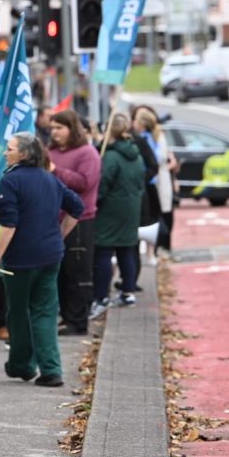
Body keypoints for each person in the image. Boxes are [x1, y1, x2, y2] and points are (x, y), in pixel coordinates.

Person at [0, 132, 83, 388]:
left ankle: (22, 365)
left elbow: (9, 223)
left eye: (10, 149)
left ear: (24, 154)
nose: (5, 153)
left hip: (21, 259)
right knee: (45, 313)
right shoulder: (49, 179)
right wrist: (60, 235)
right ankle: (51, 370)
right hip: (51, 255)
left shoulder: (10, 181)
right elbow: (77, 207)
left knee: (18, 313)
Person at [48, 110, 101, 336]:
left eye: (59, 128)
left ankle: (78, 320)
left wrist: (55, 171)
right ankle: (66, 316)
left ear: (72, 128)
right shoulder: (50, 152)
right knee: (60, 272)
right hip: (52, 219)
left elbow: (84, 183)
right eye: (52, 128)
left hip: (79, 222)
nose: (54, 132)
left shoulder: (87, 153)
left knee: (77, 271)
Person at [91, 114, 145, 317]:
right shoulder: (136, 155)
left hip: (110, 210)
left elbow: (102, 185)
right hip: (131, 208)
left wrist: (95, 201)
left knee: (104, 251)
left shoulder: (111, 157)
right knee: (126, 250)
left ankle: (101, 296)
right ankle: (128, 291)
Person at [132, 108, 177, 260]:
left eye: (136, 120)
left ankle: (159, 249)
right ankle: (156, 250)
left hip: (153, 184)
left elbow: (156, 161)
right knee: (155, 217)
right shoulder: (150, 137)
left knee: (156, 217)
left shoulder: (146, 139)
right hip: (153, 183)